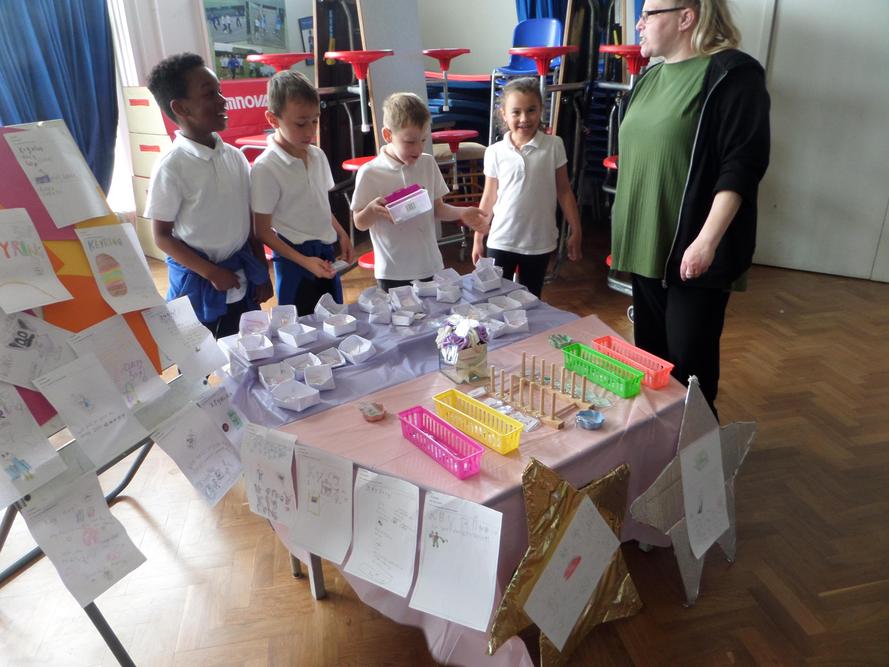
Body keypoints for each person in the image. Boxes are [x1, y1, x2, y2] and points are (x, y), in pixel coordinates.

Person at [610, 0, 770, 415]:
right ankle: (659, 447)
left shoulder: (733, 75)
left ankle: (700, 453)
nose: (639, 24)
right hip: (645, 243)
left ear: (686, 17)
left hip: (690, 251)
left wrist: (705, 242)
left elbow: (741, 166)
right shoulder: (650, 76)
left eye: (648, 13)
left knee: (690, 373)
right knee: (652, 365)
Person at [144, 52, 272, 339]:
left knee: (246, 346)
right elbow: (161, 237)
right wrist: (211, 272)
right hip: (198, 284)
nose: (223, 100)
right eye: (209, 94)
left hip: (240, 277)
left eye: (220, 91)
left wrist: (261, 272)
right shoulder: (171, 166)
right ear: (181, 108)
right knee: (201, 354)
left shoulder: (235, 157)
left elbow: (249, 224)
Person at [351, 92, 487, 291]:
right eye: (410, 142)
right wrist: (371, 210)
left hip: (430, 266)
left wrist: (462, 212)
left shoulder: (427, 163)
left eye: (423, 140)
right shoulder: (370, 173)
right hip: (393, 272)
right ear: (388, 135)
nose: (418, 148)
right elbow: (359, 223)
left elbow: (437, 209)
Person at [251, 71, 354, 314]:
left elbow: (320, 203)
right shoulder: (266, 167)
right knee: (299, 324)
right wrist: (304, 261)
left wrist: (342, 234)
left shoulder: (317, 155)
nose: (310, 131)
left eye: (315, 121)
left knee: (334, 317)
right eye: (300, 123)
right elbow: (262, 231)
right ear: (273, 119)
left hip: (325, 252)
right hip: (293, 259)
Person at [472, 77, 583, 298]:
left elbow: (564, 191)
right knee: (495, 300)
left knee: (531, 301)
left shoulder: (554, 145)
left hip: (538, 242)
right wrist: (477, 238)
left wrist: (576, 229)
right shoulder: (494, 152)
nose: (524, 118)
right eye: (516, 112)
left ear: (541, 110)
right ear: (504, 114)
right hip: (501, 240)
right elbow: (489, 197)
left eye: (531, 110)